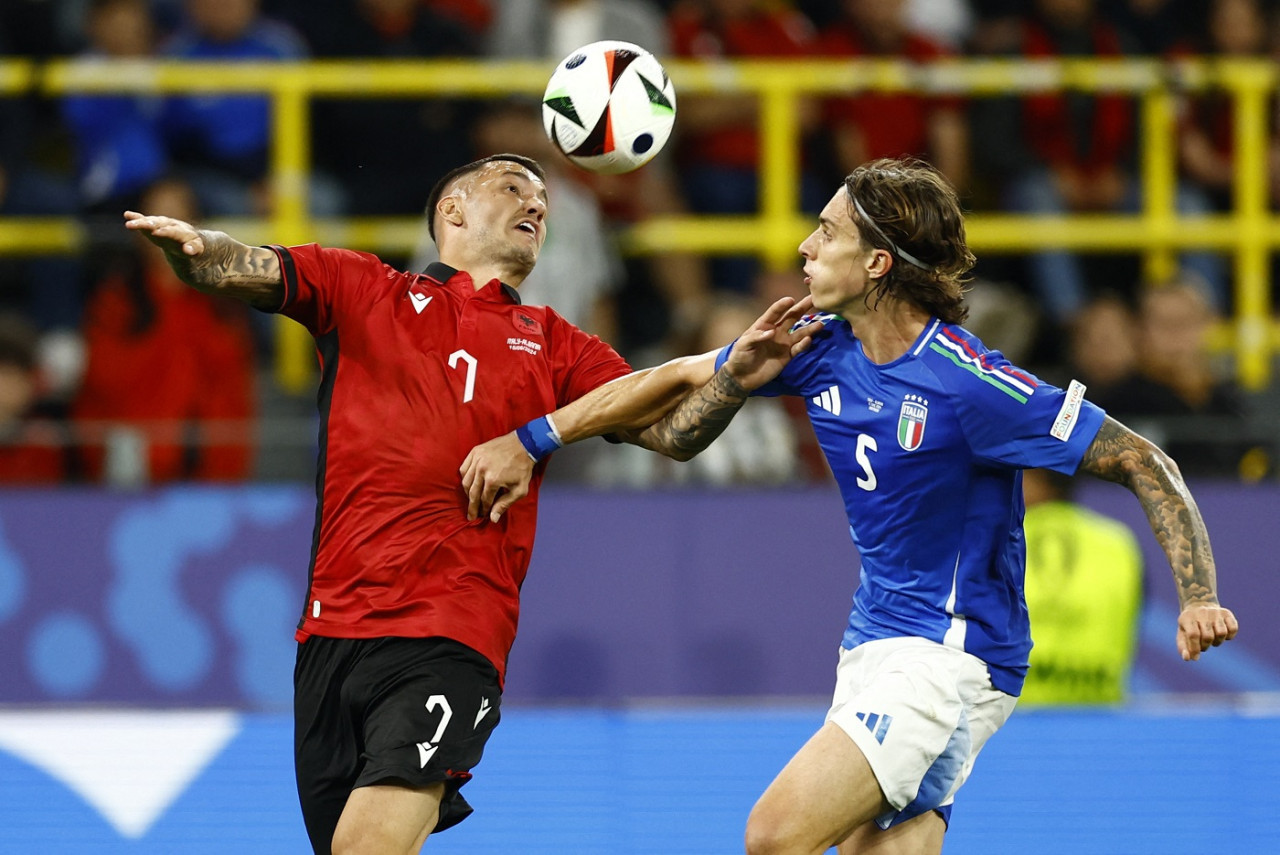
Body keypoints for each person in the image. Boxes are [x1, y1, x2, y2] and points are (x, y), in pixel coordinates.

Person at [460, 157, 1239, 854]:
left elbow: (1144, 458)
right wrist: (716, 383)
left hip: (947, 653)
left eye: (825, 231)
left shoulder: (971, 382)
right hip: (873, 647)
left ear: (875, 263)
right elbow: (674, 427)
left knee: (774, 833)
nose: (804, 246)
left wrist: (1199, 594)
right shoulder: (818, 344)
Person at [123, 152, 819, 853]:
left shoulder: (554, 343)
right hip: (331, 635)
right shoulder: (364, 288)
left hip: (451, 632)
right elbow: (243, 265)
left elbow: (671, 431)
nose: (537, 206)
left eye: (543, 199)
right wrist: (198, 251)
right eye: (514, 188)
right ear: (453, 211)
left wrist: (731, 380)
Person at [1019, 467, 1143, 706]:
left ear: (1040, 476)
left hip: (1009, 714)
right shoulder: (1119, 543)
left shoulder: (995, 538)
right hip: (1099, 714)